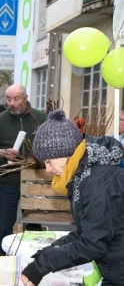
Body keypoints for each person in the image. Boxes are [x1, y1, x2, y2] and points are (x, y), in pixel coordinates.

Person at [21, 109, 124, 286]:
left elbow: (93, 244)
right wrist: (51, 249)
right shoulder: (84, 174)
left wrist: (43, 263)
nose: (47, 169)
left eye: (48, 161)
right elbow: (88, 231)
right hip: (114, 268)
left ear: (65, 153)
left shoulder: (97, 182)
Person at [0, 84, 47, 256]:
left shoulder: (41, 118)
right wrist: (2, 152)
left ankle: (34, 265)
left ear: (25, 97)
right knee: (3, 227)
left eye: (16, 98)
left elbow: (50, 146)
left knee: (35, 228)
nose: (12, 103)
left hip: (34, 181)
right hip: (7, 181)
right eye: (9, 99)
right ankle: (1, 265)